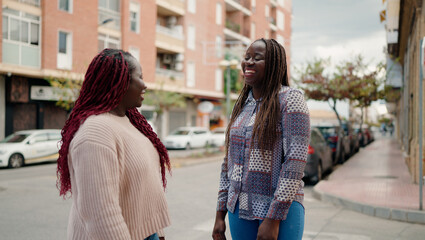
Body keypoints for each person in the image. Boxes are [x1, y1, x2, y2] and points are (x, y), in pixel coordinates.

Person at [56, 49, 171, 240]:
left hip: (144, 233)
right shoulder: (95, 133)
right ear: (119, 82)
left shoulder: (130, 122)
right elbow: (101, 215)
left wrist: (158, 232)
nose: (145, 85)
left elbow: (145, 191)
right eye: (139, 77)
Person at [212, 39, 310, 240]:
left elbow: (295, 162)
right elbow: (227, 165)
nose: (248, 62)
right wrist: (219, 214)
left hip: (282, 211)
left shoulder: (290, 99)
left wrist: (273, 219)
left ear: (274, 64)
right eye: (247, 57)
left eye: (257, 58)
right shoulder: (241, 106)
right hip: (239, 209)